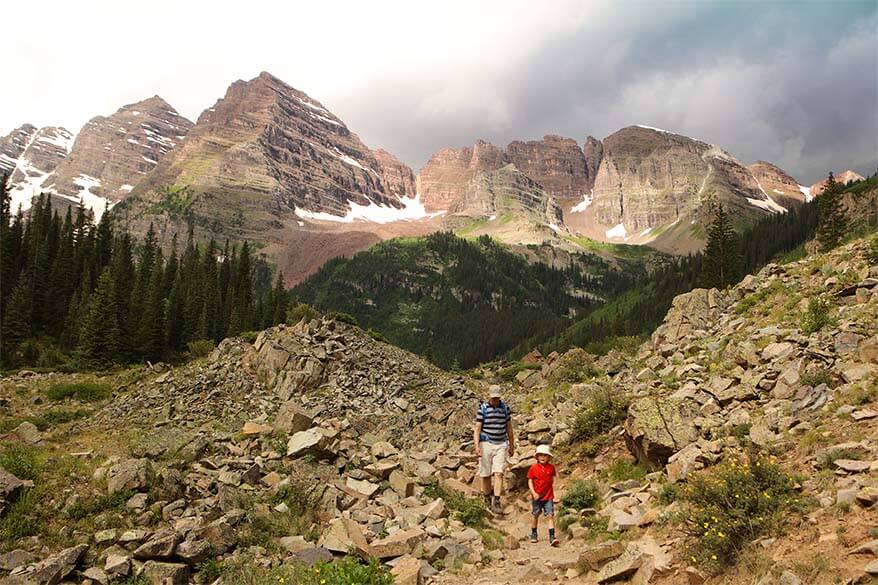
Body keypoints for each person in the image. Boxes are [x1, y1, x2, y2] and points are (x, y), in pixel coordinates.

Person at [473, 384, 514, 514]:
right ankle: (486, 498)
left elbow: (509, 428)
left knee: (499, 472)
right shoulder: (483, 409)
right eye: (493, 398)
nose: (495, 400)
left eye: (497, 397)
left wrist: (512, 445)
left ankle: (496, 500)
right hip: (486, 443)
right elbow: (477, 429)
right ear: (489, 396)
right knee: (485, 473)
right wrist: (476, 446)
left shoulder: (505, 409)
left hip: (501, 443)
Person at [527, 444, 559, 546]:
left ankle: (552, 536)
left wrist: (553, 493)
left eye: (545, 455)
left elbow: (552, 480)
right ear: (537, 457)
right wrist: (534, 493)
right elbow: (530, 481)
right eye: (540, 455)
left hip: (548, 496)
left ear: (549, 457)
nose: (542, 457)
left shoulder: (551, 468)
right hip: (537, 496)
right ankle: (534, 533)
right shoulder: (533, 468)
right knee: (535, 515)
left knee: (550, 515)